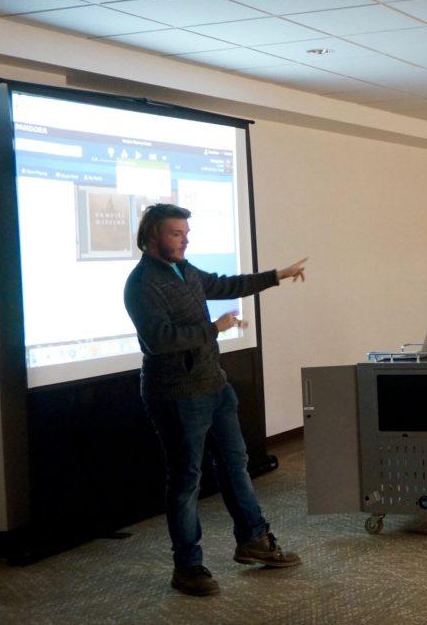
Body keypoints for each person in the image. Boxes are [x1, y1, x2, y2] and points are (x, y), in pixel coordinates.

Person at [123, 203, 307, 597]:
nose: (185, 239)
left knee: (236, 464)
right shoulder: (141, 284)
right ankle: (187, 567)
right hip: (176, 395)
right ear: (152, 235)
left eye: (186, 233)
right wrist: (213, 328)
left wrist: (277, 275)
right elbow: (160, 341)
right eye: (177, 233)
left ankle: (253, 539)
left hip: (214, 386)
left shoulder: (185, 270)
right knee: (186, 479)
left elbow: (226, 285)